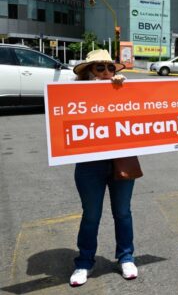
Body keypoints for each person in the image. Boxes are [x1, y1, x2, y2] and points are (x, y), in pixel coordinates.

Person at [69, 50, 138, 286]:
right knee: (91, 215)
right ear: (88, 73)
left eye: (110, 68)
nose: (107, 73)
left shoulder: (122, 90)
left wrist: (124, 88)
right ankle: (84, 262)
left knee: (123, 212)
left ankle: (126, 257)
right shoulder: (72, 96)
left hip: (122, 161)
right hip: (89, 165)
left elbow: (142, 113)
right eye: (100, 69)